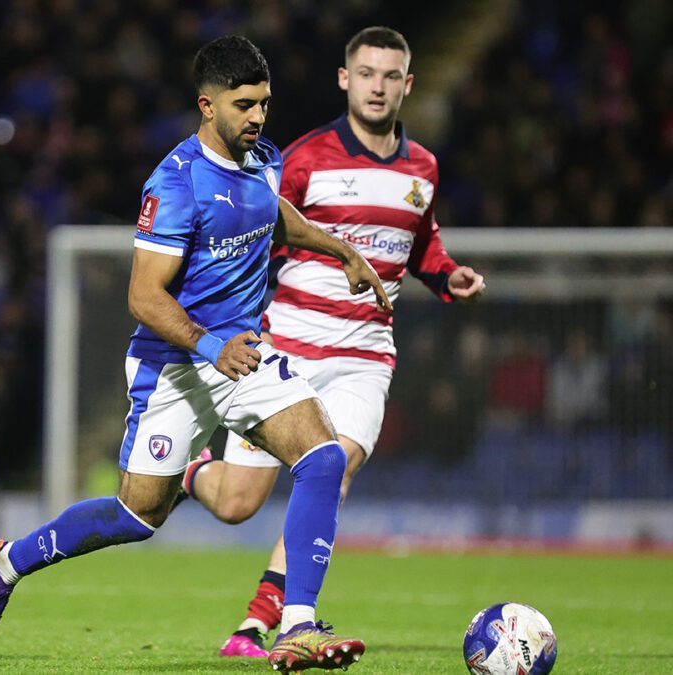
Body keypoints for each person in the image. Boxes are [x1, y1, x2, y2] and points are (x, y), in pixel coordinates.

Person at [0, 35, 391, 673]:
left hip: (244, 354)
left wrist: (343, 251)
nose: (257, 117)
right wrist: (209, 344)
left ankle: (296, 625)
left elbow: (275, 215)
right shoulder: (176, 182)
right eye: (244, 105)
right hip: (177, 365)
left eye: (265, 104)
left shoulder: (262, 158)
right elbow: (143, 296)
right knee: (138, 514)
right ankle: (5, 564)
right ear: (206, 104)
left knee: (323, 457)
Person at [175, 27, 487, 658]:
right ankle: (195, 474)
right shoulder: (305, 158)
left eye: (390, 75)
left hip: (364, 358)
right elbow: (255, 231)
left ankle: (271, 621)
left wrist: (446, 274)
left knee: (332, 467)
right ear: (345, 80)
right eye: (365, 73)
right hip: (286, 347)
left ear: (407, 85)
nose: (377, 85)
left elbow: (421, 242)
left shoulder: (422, 168)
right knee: (236, 504)